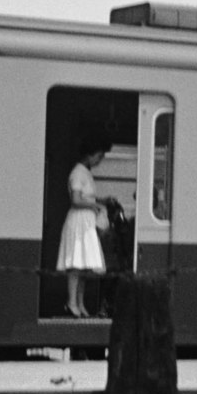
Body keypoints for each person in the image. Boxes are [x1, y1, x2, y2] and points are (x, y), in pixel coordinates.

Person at [57, 135, 111, 318]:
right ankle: (72, 302)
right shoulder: (78, 173)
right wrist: (95, 206)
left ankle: (79, 303)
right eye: (99, 156)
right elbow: (76, 200)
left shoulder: (84, 172)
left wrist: (101, 201)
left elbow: (85, 198)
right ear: (91, 154)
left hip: (85, 221)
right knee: (76, 264)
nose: (99, 160)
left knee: (84, 266)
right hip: (79, 221)